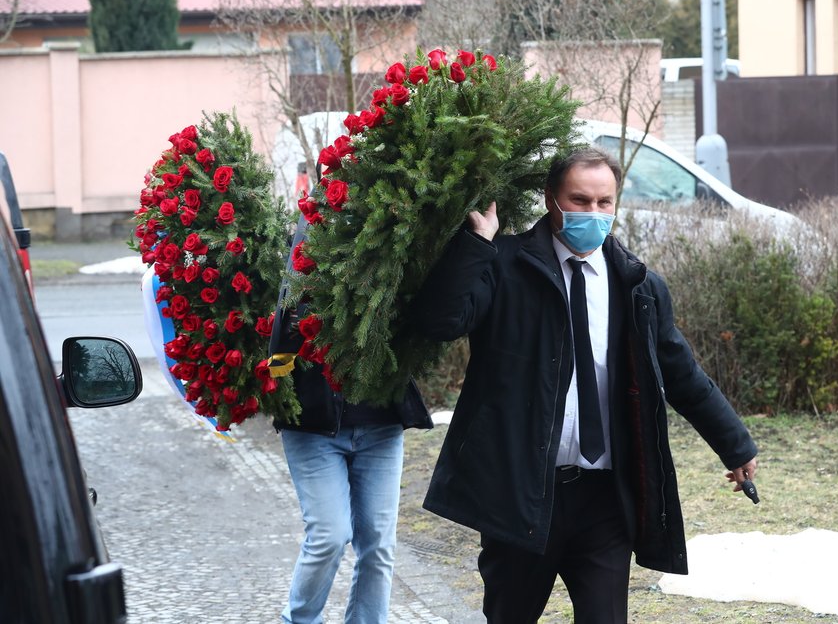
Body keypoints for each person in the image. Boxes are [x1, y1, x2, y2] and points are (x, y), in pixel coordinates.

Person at [414, 147, 759, 623]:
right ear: (550, 200)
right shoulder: (504, 264)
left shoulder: (637, 285)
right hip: (521, 495)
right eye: (579, 200)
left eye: (604, 203)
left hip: (604, 501)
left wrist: (735, 445)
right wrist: (476, 243)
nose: (593, 213)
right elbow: (439, 321)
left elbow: (681, 374)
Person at [275, 357, 432, 624]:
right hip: (309, 421)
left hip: (382, 421)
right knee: (329, 535)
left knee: (379, 543)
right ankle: (300, 620)